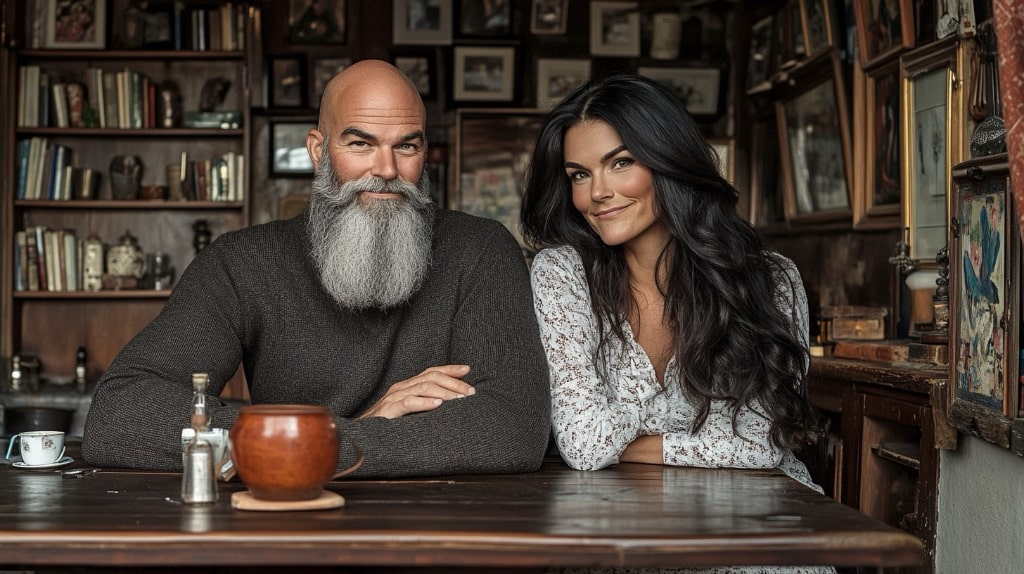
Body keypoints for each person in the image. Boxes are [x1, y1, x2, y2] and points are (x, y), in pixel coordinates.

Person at [83, 60, 551, 477]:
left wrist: (320, 446)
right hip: (289, 525)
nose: (386, 169)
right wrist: (341, 433)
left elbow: (512, 427)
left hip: (441, 534)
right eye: (360, 143)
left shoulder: (481, 249)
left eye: (406, 146)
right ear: (317, 149)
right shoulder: (241, 262)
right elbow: (121, 414)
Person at [521, 74, 829, 502]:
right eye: (578, 175)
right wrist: (703, 440)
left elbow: (762, 446)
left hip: (757, 514)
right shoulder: (563, 275)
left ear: (667, 157)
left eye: (621, 162)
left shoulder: (767, 278)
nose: (597, 193)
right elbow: (584, 444)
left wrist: (625, 436)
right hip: (617, 517)